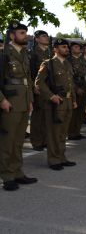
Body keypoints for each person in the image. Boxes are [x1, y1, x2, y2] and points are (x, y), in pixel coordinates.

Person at [0, 22, 38, 191]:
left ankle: (17, 172)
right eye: (22, 33)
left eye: (25, 33)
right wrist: (2, 100)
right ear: (12, 35)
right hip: (9, 102)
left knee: (18, 141)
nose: (25, 35)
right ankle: (7, 176)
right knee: (7, 142)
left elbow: (28, 80)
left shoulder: (24, 53)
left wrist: (30, 100)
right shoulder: (3, 54)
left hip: (23, 102)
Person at [36, 38, 78, 170]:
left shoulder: (67, 64)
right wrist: (51, 96)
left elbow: (71, 84)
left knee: (63, 133)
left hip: (68, 102)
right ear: (55, 49)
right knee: (54, 132)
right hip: (55, 103)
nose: (66, 49)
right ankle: (54, 160)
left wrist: (74, 100)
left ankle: (61, 157)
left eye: (67, 47)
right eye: (63, 47)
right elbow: (39, 83)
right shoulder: (48, 63)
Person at [29, 30, 51, 151]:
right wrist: (34, 87)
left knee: (47, 115)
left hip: (49, 89)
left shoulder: (50, 53)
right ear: (36, 39)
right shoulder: (33, 54)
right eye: (43, 36)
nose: (46, 38)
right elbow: (30, 73)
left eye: (46, 36)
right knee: (38, 116)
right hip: (38, 88)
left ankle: (44, 140)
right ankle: (37, 141)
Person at [67, 42, 86, 140]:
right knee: (74, 112)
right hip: (75, 88)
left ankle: (77, 131)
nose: (78, 48)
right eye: (76, 47)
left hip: (84, 87)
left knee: (81, 111)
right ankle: (71, 133)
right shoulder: (68, 60)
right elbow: (69, 78)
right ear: (71, 49)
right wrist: (76, 88)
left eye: (79, 47)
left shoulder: (82, 59)